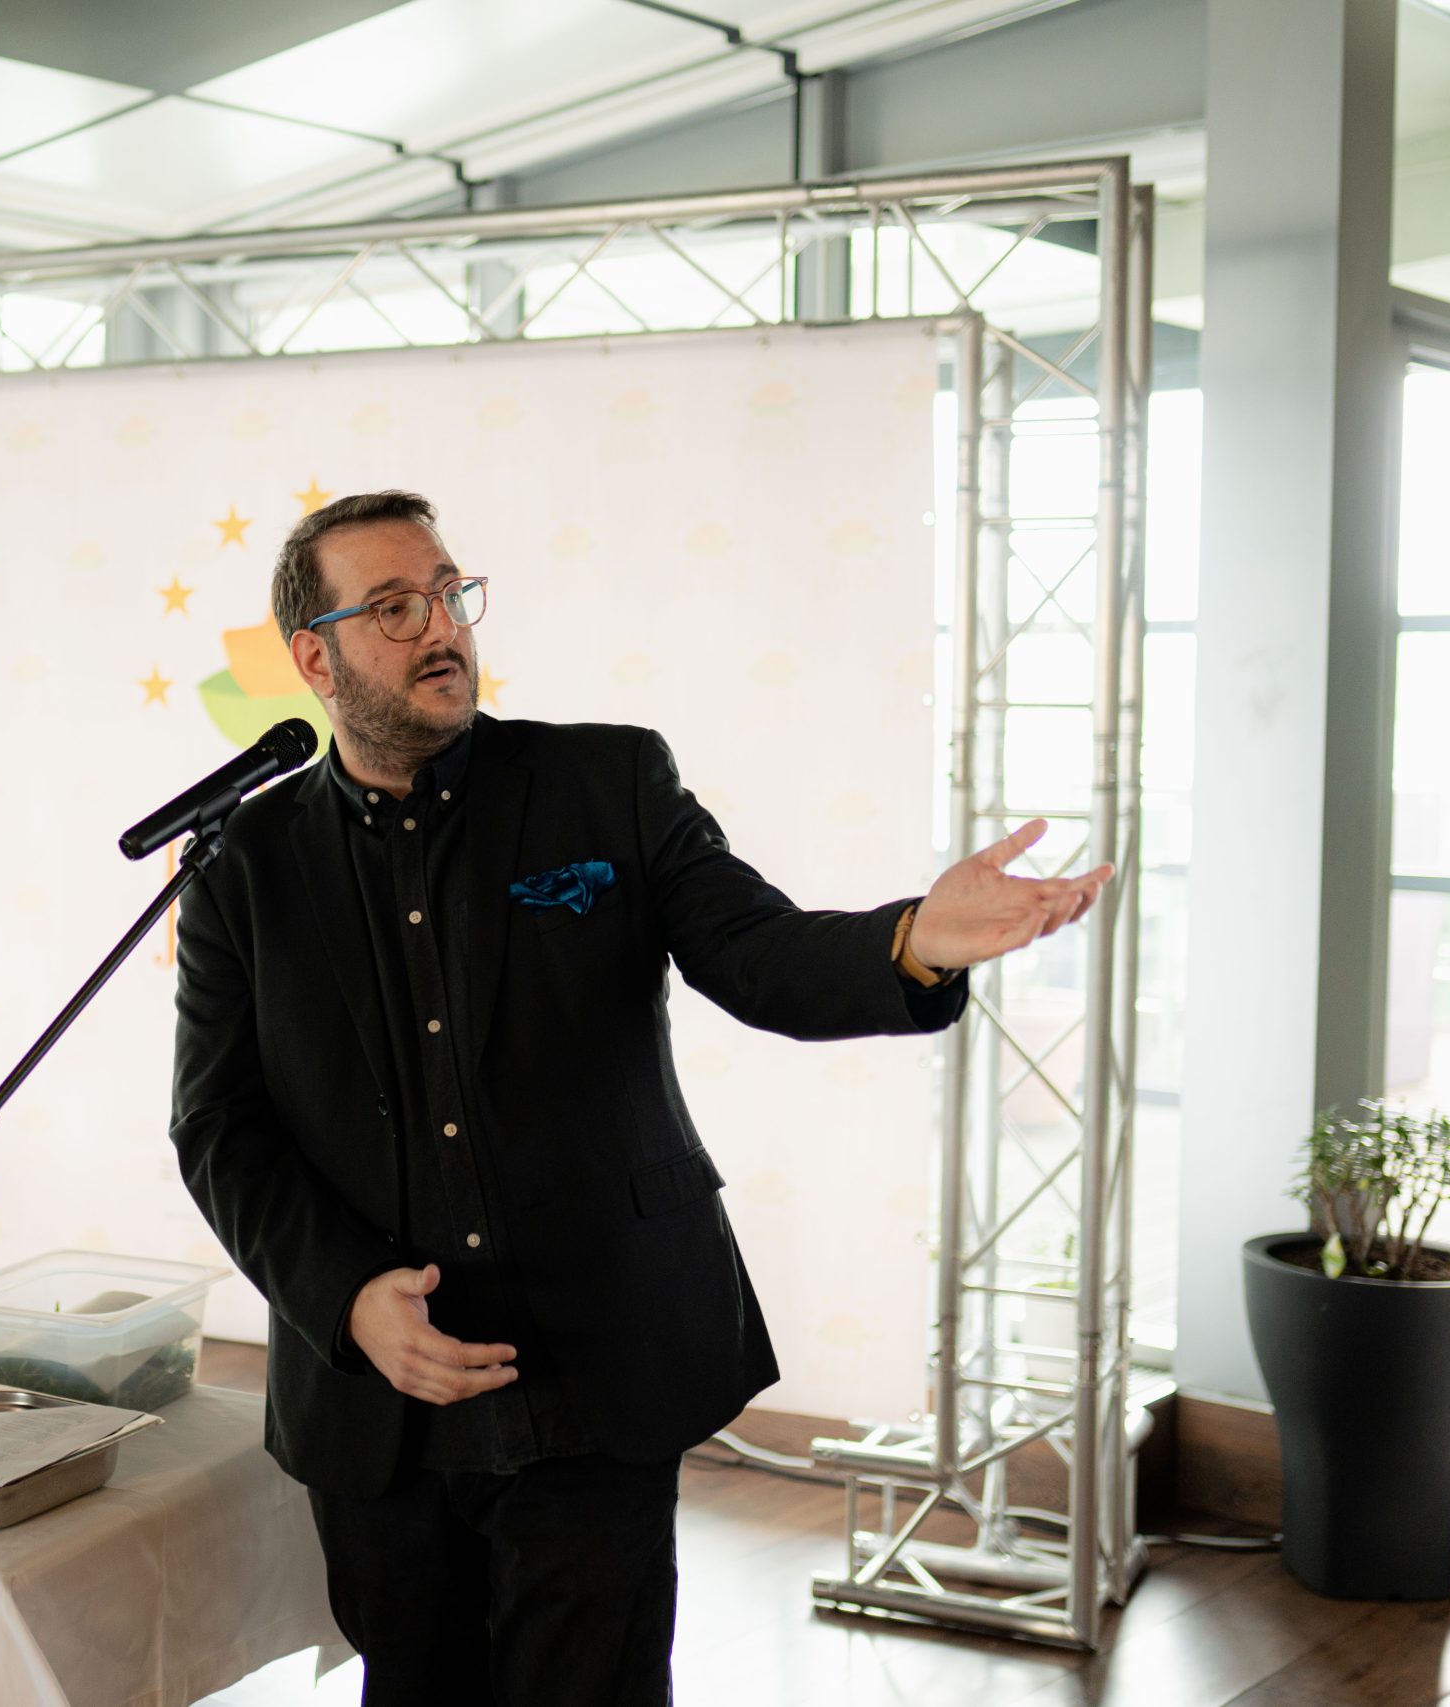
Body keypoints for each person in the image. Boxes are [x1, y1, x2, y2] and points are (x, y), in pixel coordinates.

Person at [167, 490, 1110, 1706]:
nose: (440, 626)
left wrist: (916, 939)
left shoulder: (603, 781)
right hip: (382, 1407)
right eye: (393, 607)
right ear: (314, 658)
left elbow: (759, 954)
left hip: (596, 1362)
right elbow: (220, 1126)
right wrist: (346, 1298)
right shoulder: (242, 867)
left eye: (449, 592)